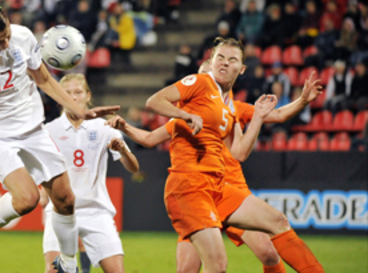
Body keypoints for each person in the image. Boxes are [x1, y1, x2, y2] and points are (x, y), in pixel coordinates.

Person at [0, 0, 118, 272]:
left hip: (31, 127)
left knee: (65, 199)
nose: (7, 43)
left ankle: (68, 265)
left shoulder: (22, 36)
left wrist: (76, 108)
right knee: (27, 199)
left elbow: (43, 78)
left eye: (7, 34)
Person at [108, 37, 324, 273]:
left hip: (221, 185)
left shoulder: (229, 110)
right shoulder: (197, 94)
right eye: (219, 58)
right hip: (191, 186)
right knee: (201, 267)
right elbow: (152, 117)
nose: (222, 64)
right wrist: (135, 126)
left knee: (276, 228)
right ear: (210, 64)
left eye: (231, 59)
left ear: (241, 69)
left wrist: (301, 101)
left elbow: (242, 150)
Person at [42, 74, 139, 273]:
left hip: (96, 211)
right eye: (66, 93)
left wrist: (121, 150)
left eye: (78, 92)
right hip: (59, 212)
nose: (73, 97)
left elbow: (133, 167)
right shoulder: (48, 131)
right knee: (53, 271)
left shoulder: (104, 127)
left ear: (88, 96)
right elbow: (39, 168)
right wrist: (44, 191)